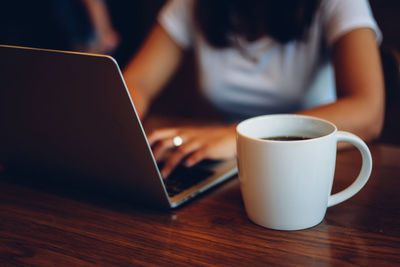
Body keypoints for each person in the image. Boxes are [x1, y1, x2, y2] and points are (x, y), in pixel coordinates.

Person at [122, 0, 385, 178]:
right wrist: (122, 112)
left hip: (310, 168)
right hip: (228, 163)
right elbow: (137, 82)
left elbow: (368, 111)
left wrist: (238, 136)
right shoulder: (193, 5)